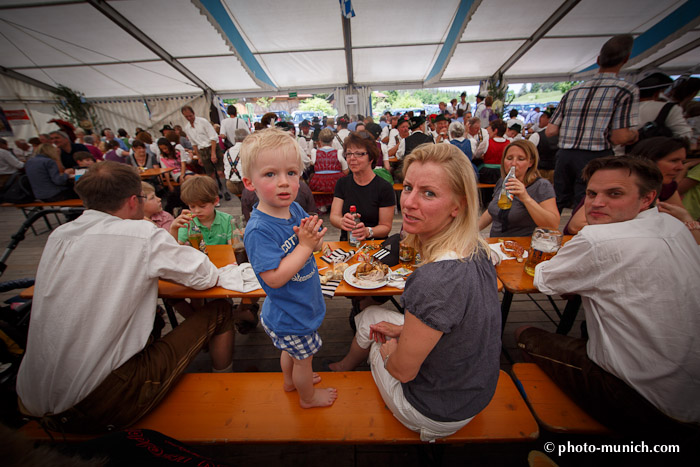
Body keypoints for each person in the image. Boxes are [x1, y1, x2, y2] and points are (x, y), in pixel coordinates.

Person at [16, 161, 234, 434]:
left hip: (29, 398)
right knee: (221, 309)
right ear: (134, 201)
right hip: (98, 403)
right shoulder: (140, 234)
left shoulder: (60, 235)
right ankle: (226, 389)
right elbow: (206, 276)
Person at [329, 143, 501, 441]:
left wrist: (389, 349)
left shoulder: (434, 279)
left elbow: (403, 371)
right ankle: (346, 364)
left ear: (458, 205)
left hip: (434, 411)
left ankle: (348, 367)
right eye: (408, 187)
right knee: (371, 314)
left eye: (429, 193)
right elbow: (455, 321)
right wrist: (404, 332)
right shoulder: (478, 248)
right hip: (475, 393)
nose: (407, 202)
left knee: (374, 335)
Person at [517, 156, 700, 437]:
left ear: (647, 198)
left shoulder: (598, 240)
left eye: (614, 194)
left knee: (525, 333)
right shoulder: (673, 226)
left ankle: (555, 439)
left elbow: (545, 280)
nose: (597, 203)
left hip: (647, 402)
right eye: (591, 193)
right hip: (689, 391)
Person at [239, 128, 337, 408]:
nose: (284, 182)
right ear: (249, 182)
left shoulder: (293, 209)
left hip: (295, 306)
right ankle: (307, 397)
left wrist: (314, 240)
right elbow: (275, 278)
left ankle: (289, 382)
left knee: (290, 353)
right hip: (290, 314)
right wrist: (305, 246)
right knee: (304, 360)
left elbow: (312, 240)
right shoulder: (258, 230)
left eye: (291, 173)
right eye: (270, 174)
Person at [547, 34, 639, 211]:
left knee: (557, 200)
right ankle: (581, 237)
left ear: (598, 60)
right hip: (596, 155)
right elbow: (620, 136)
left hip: (565, 154)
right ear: (626, 59)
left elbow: (550, 130)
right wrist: (634, 134)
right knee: (587, 203)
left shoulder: (574, 90)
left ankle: (547, 237)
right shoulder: (625, 90)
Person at [479, 140, 559, 237]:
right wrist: (472, 230)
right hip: (497, 245)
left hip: (522, 246)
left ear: (531, 162)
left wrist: (526, 198)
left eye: (521, 159)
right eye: (509, 158)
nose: (513, 163)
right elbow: (492, 211)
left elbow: (553, 225)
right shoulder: (502, 181)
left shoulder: (541, 186)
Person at [330, 131, 395, 242]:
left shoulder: (384, 188)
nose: (352, 158)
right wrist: (342, 222)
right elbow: (334, 216)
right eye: (349, 153)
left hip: (374, 244)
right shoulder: (342, 183)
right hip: (348, 244)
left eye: (359, 154)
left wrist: (367, 231)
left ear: (371, 158)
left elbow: (385, 227)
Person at [181, 105, 230, 201]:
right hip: (202, 150)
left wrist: (213, 153)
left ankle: (225, 191)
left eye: (190, 116)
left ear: (193, 113)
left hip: (213, 147)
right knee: (210, 174)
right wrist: (199, 157)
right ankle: (216, 192)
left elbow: (213, 137)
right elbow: (194, 144)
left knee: (220, 171)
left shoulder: (203, 122)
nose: (189, 118)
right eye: (187, 117)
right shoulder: (187, 128)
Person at [173, 175, 232, 245]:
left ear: (216, 201)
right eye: (192, 206)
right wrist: (173, 228)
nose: (197, 211)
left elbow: (233, 245)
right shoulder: (188, 221)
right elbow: (175, 246)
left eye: (202, 206)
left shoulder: (227, 220)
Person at [309, 128, 348, 212]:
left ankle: (322, 205)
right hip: (335, 182)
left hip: (319, 183)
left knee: (313, 180)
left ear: (320, 140)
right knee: (341, 182)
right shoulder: (338, 152)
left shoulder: (314, 152)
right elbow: (346, 171)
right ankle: (336, 204)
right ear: (332, 140)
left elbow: (312, 163)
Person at [478, 119, 509, 185]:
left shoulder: (487, 142)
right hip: (502, 172)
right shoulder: (509, 143)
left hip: (487, 173)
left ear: (495, 131)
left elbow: (477, 155)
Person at [223, 128, 248, 196]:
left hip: (230, 185)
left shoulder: (227, 152)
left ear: (235, 139)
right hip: (244, 184)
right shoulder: (248, 150)